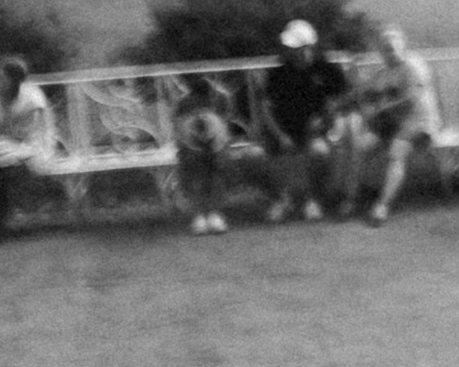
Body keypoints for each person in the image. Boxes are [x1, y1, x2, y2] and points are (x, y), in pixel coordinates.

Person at [258, 19, 349, 220]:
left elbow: (344, 98)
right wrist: (280, 135)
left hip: (315, 132)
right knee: (260, 155)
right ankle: (283, 200)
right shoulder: (278, 74)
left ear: (308, 47)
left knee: (320, 153)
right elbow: (266, 108)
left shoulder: (327, 70)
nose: (290, 51)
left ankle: (313, 199)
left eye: (296, 47)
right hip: (283, 131)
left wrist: (327, 117)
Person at [352, 24, 442, 225]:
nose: (389, 53)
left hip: (421, 122)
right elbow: (368, 96)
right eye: (385, 50)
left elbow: (411, 99)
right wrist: (360, 91)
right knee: (361, 146)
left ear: (402, 48)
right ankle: (353, 196)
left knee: (397, 150)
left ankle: (382, 206)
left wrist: (381, 110)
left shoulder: (413, 66)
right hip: (395, 124)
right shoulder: (384, 73)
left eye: (392, 49)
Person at [0, 54, 60, 240]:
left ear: (13, 80)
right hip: (8, 146)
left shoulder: (32, 99)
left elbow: (25, 135)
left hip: (34, 146)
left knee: (0, 163)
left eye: (0, 77)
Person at [175, 74, 237, 233]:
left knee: (218, 166)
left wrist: (216, 147)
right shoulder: (183, 104)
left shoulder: (221, 100)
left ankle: (215, 213)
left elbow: (224, 128)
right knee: (193, 167)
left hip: (217, 143)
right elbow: (180, 131)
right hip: (190, 145)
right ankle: (199, 214)